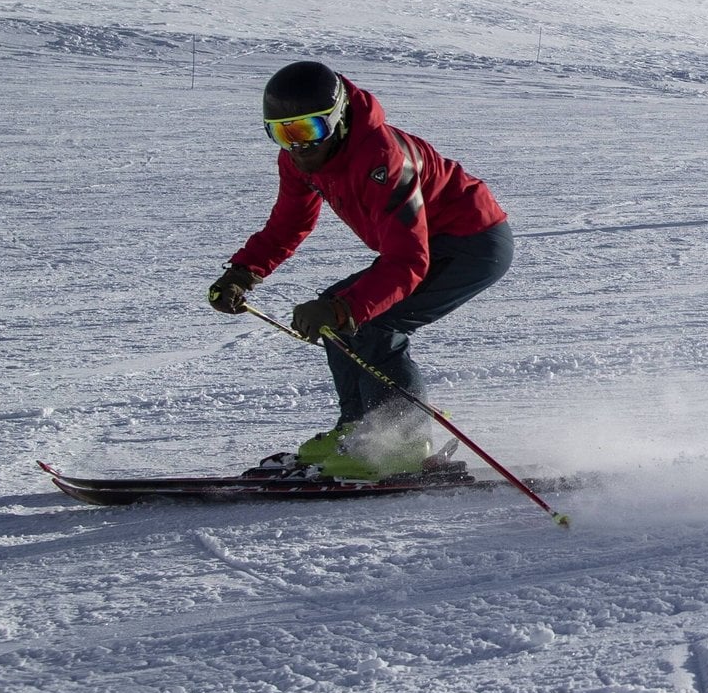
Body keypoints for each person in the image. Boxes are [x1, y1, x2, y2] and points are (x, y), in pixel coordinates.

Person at [206, 61, 512, 478]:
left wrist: (341, 309)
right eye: (282, 133)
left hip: (473, 243)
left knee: (373, 324)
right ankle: (359, 428)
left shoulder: (382, 160)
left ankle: (403, 443)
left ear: (336, 119)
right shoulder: (299, 161)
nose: (297, 146)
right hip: (423, 245)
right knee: (343, 315)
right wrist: (243, 272)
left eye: (307, 130)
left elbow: (408, 261)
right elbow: (290, 223)